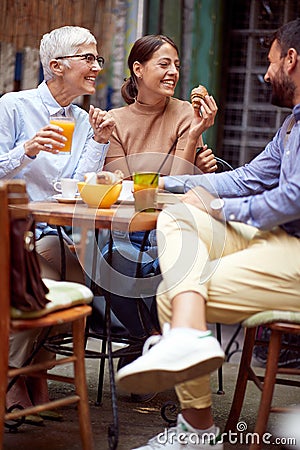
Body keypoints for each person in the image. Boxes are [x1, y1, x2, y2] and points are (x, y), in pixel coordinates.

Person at [116, 18, 300, 449]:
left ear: (291, 61)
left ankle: (196, 431)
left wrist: (217, 207)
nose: (266, 73)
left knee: (176, 293)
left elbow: (293, 198)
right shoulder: (292, 125)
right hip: (281, 239)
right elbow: (251, 177)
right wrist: (168, 187)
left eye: (270, 62)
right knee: (178, 217)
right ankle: (188, 346)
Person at [0, 25, 115, 423]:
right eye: (88, 57)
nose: (97, 66)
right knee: (51, 275)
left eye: (97, 58)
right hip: (12, 232)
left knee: (76, 278)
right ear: (56, 65)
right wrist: (25, 150)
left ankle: (34, 374)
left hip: (56, 231)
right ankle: (14, 379)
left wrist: (99, 141)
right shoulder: (13, 107)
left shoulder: (82, 120)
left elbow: (79, 187)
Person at [97, 34, 218, 340]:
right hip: (129, 230)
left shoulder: (187, 115)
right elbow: (125, 192)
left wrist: (191, 138)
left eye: (176, 65)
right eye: (164, 64)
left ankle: (148, 346)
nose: (174, 72)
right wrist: (179, 169)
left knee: (170, 265)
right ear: (138, 69)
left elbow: (176, 189)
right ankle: (152, 339)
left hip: (177, 230)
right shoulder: (115, 121)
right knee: (110, 264)